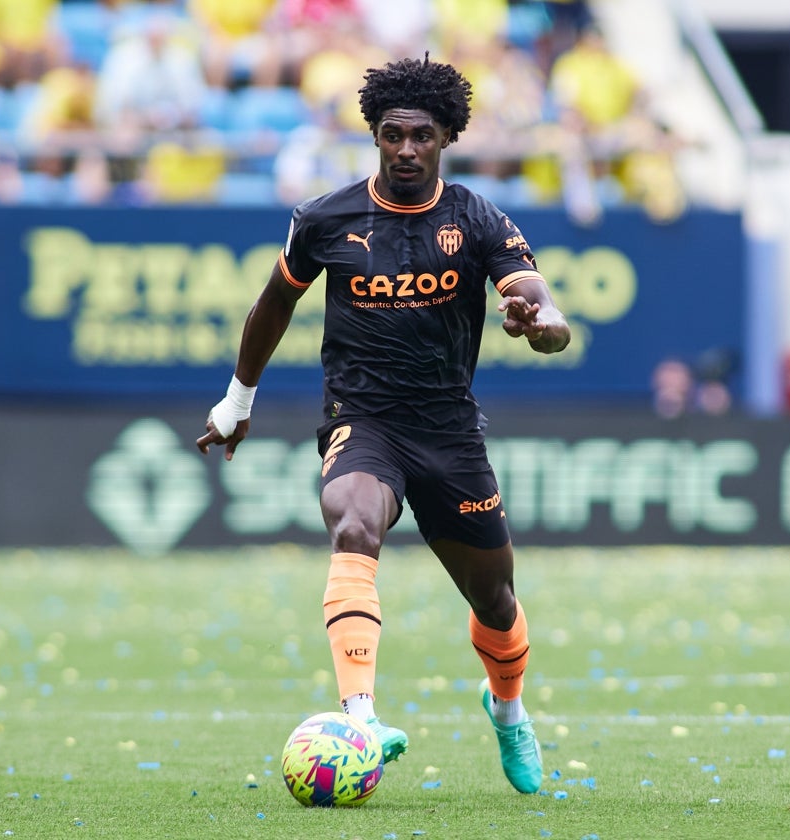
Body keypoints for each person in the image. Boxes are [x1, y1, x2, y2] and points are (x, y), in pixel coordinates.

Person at [196, 54, 570, 795]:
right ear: (374, 135)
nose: (406, 149)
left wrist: (539, 322)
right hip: (361, 418)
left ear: (446, 138)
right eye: (392, 134)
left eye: (421, 136)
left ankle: (507, 710)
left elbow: (544, 308)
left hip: (448, 431)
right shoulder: (326, 217)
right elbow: (273, 304)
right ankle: (361, 721)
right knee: (353, 524)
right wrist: (237, 401)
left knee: (495, 599)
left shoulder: (476, 218)